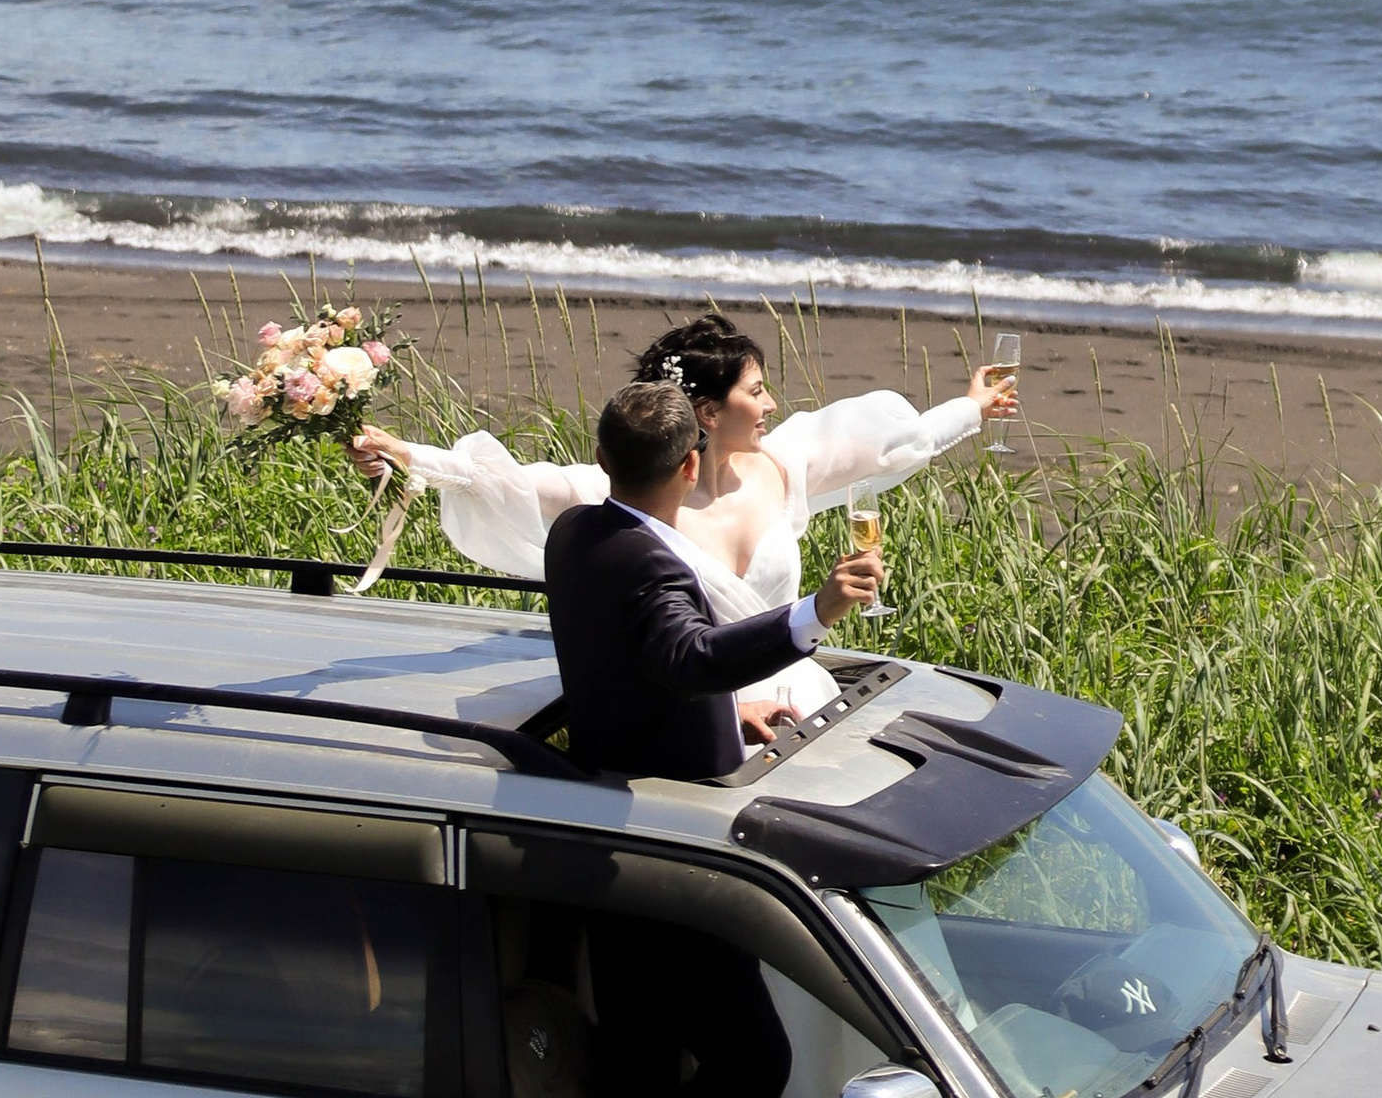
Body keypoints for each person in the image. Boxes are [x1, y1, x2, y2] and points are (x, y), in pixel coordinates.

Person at [350, 313, 1016, 724]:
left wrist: (971, 407)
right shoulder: (629, 498)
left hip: (795, 689)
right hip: (691, 709)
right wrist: (399, 456)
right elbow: (501, 482)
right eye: (755, 391)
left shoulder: (782, 468)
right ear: (707, 412)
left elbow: (894, 444)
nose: (771, 404)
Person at [541, 376, 878, 783]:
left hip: (612, 754)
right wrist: (819, 610)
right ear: (690, 465)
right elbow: (694, 657)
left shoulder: (571, 528)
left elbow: (627, 657)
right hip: (678, 789)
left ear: (602, 459)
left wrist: (728, 714)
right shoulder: (650, 562)